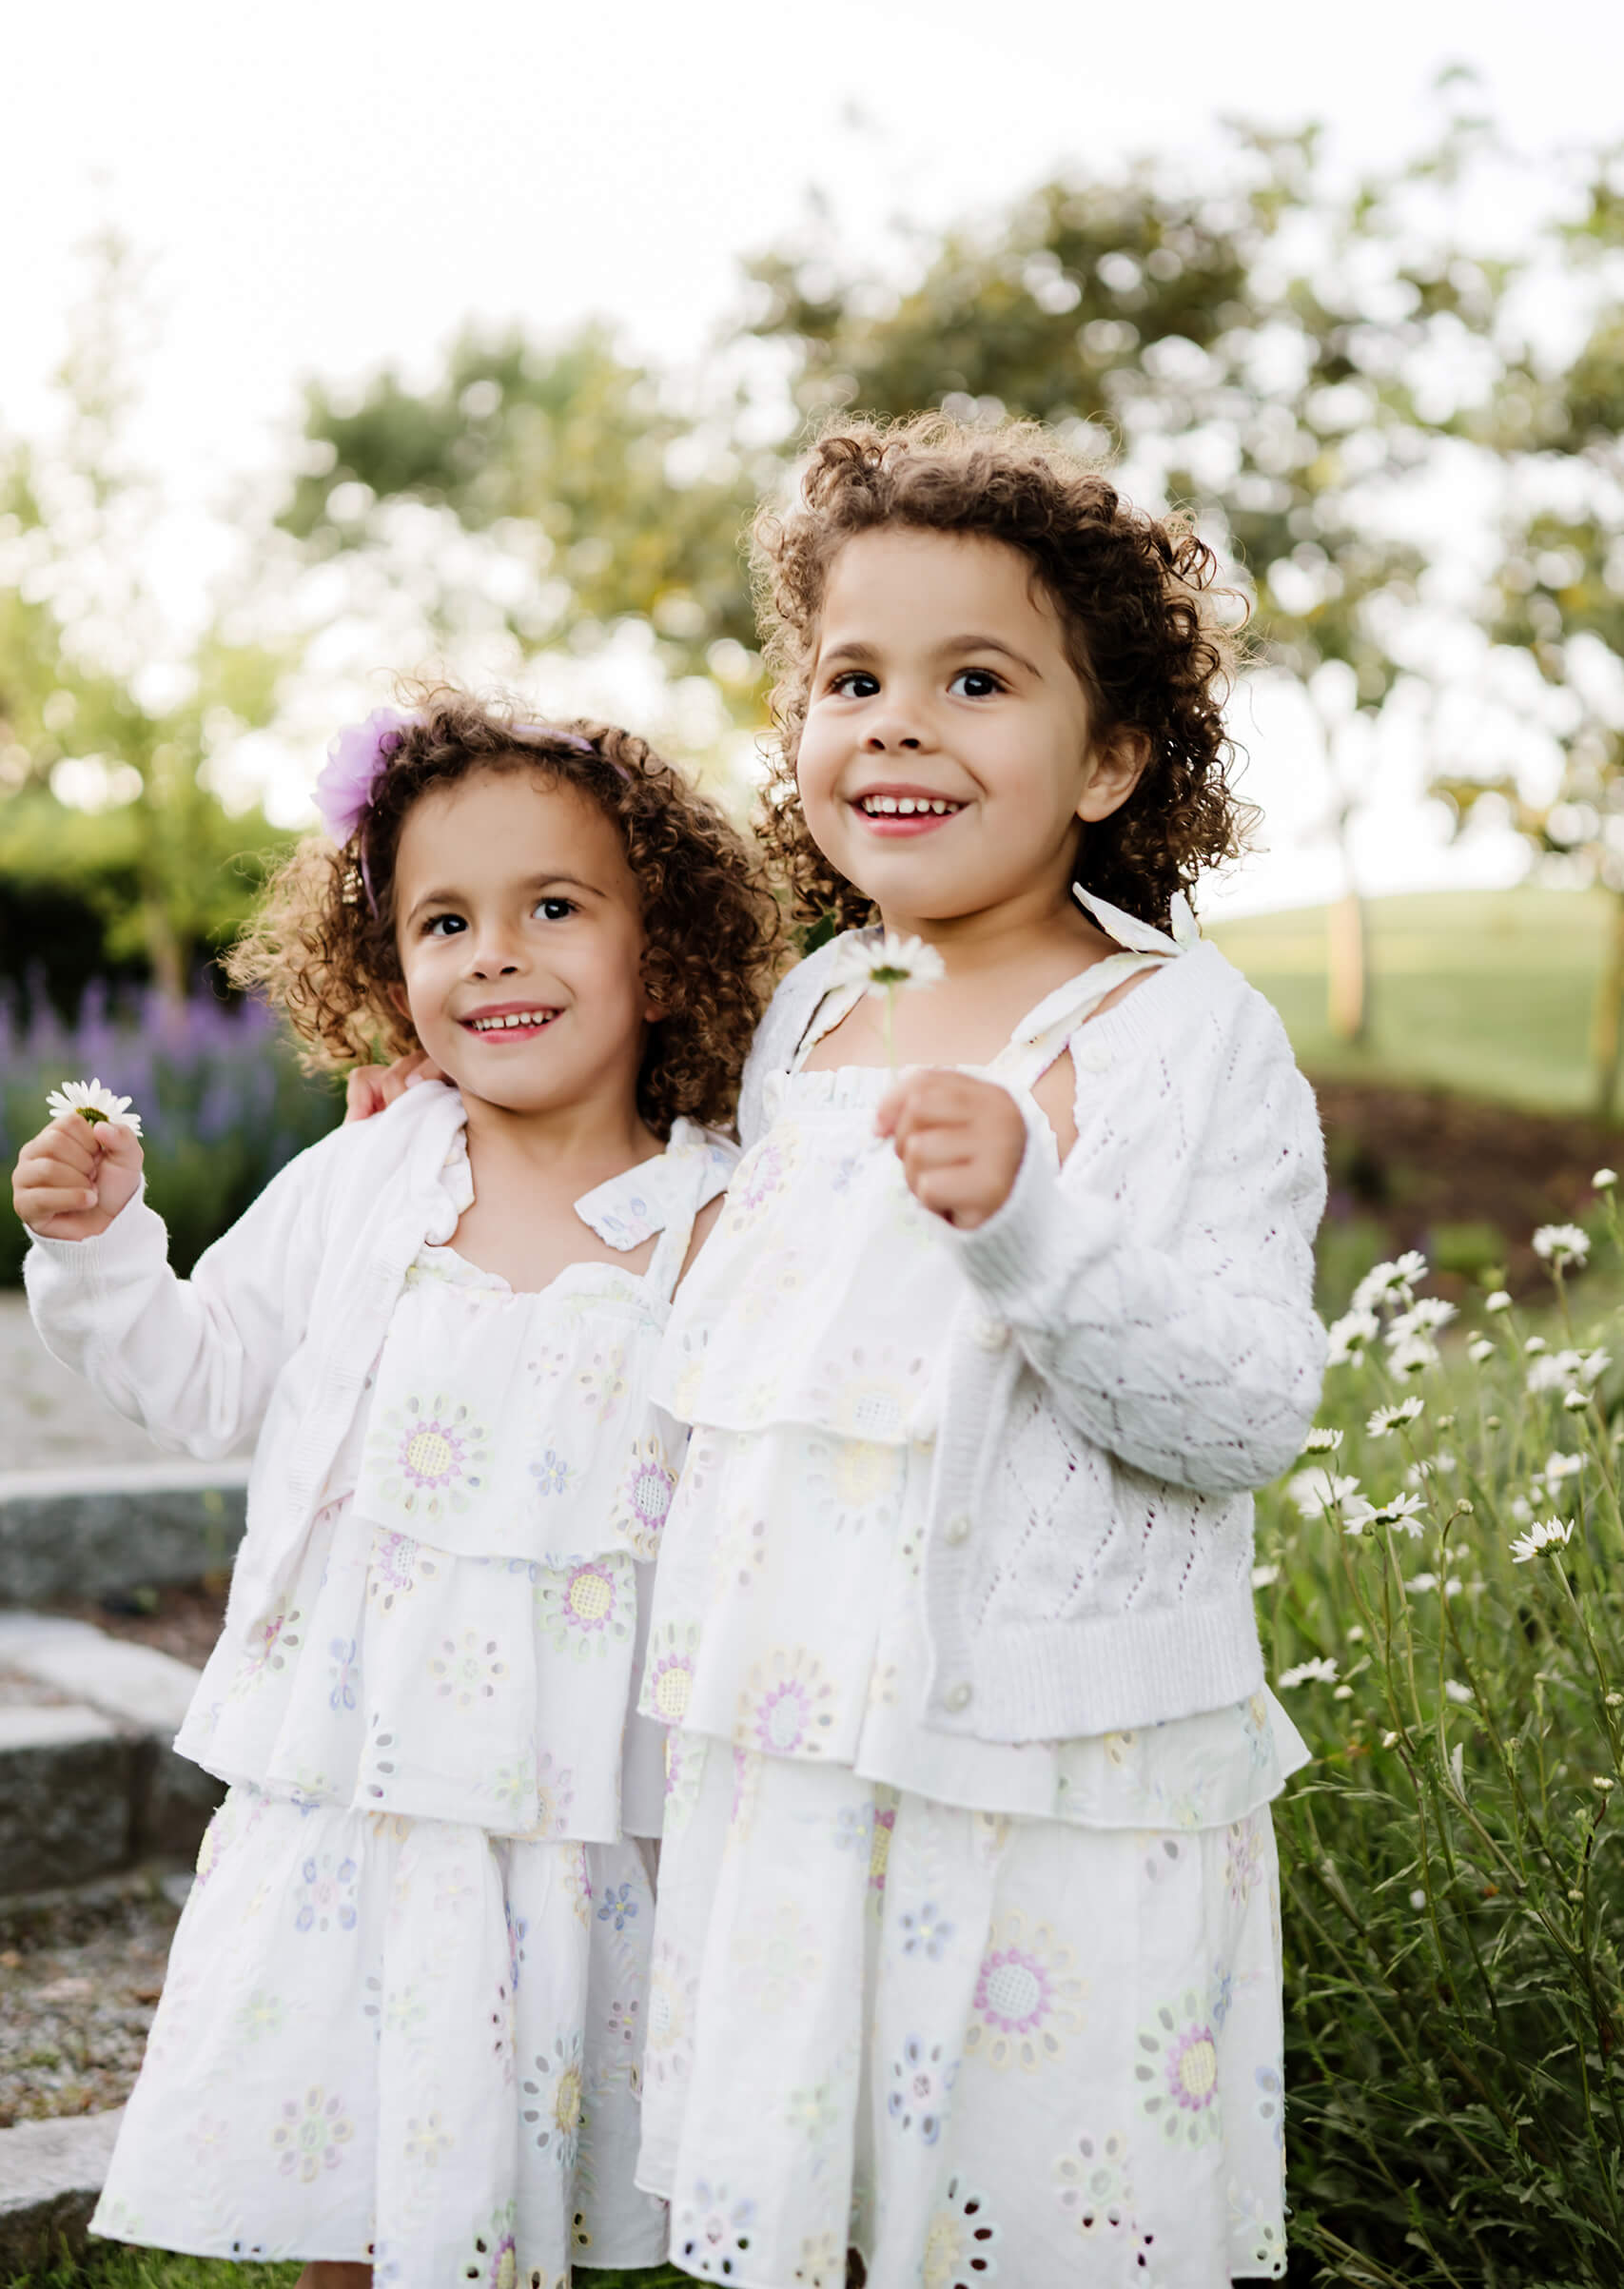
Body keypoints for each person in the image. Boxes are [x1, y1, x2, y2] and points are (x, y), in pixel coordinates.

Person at [633, 418, 1328, 2288]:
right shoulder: (813, 1008)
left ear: (1109, 757)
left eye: (975, 678)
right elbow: (736, 1336)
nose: (898, 721)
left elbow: (1244, 1405)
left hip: (1051, 1764)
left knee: (1035, 2211)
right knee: (825, 2203)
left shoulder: (1180, 1033)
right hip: (804, 1745)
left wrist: (1032, 1220)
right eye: (850, 676)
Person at [11, 693, 778, 2289]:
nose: (494, 952)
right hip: (358, 1780)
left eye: (553, 908)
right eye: (444, 921)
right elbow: (204, 1373)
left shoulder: (721, 1213)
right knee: (355, 2190)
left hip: (583, 1798)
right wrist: (98, 1256)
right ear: (388, 967)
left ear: (667, 938)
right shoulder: (371, 1177)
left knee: (538, 2182)